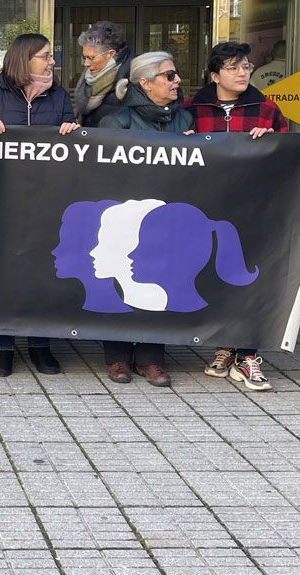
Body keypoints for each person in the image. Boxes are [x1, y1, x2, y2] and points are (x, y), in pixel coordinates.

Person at [0, 33, 80, 377]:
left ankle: (41, 344)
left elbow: (76, 139)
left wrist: (74, 129)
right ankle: (2, 346)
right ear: (24, 58)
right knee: (4, 270)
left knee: (43, 268)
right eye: (45, 56)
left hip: (47, 196)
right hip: (2, 197)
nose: (51, 62)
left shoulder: (59, 95)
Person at [184, 41, 289, 392]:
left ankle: (248, 354)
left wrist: (273, 141)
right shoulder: (193, 108)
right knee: (214, 274)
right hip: (208, 207)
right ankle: (225, 346)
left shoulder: (265, 107)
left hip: (252, 206)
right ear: (215, 75)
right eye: (233, 68)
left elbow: (289, 150)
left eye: (245, 66)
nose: (243, 73)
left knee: (247, 275)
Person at [98, 51, 194, 387]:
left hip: (166, 217)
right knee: (121, 279)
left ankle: (151, 357)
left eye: (175, 74)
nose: (177, 81)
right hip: (126, 216)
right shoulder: (116, 121)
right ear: (145, 82)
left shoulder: (185, 121)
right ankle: (117, 356)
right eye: (169, 75)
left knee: (161, 278)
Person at [72, 21, 133, 127]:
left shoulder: (134, 79)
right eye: (84, 57)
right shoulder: (89, 76)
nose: (86, 64)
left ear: (110, 54)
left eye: (91, 58)